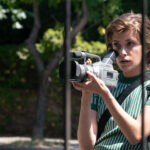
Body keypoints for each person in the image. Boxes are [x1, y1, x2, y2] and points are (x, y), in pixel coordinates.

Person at [72, 12, 150, 150]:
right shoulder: (100, 83)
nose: (122, 52)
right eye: (116, 45)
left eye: (130, 44)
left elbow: (135, 135)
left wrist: (105, 94)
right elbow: (86, 145)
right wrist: (87, 94)